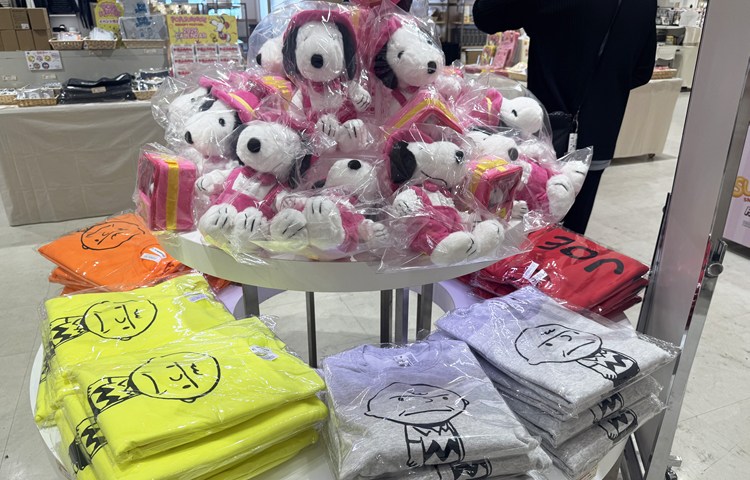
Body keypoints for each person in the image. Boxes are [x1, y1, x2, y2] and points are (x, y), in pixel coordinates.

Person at [472, 0, 657, 234]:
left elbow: (485, 15)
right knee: (569, 234)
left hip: (541, 135)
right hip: (599, 135)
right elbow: (642, 71)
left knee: (522, 229)